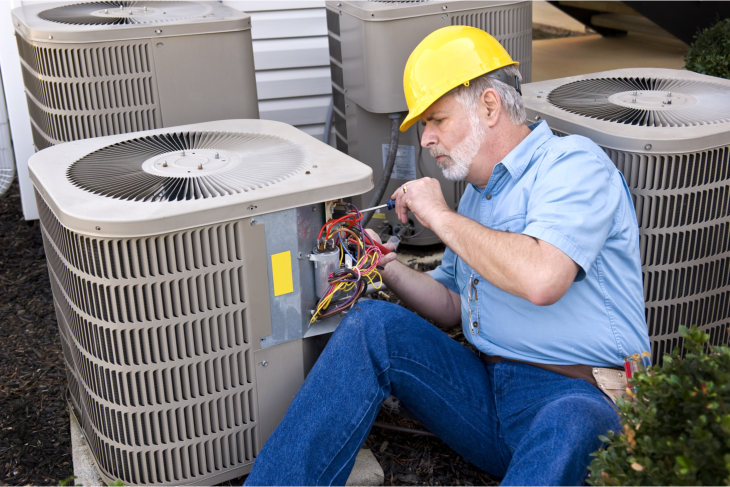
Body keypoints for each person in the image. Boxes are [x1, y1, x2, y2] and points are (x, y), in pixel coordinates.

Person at [244, 26, 650, 487]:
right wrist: (388, 267)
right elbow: (454, 304)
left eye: (437, 120)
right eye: (423, 126)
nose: (426, 140)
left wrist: (438, 214)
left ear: (490, 106)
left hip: (580, 395)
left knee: (573, 421)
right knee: (372, 326)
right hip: (488, 395)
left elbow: (543, 277)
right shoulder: (477, 198)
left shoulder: (573, 165)